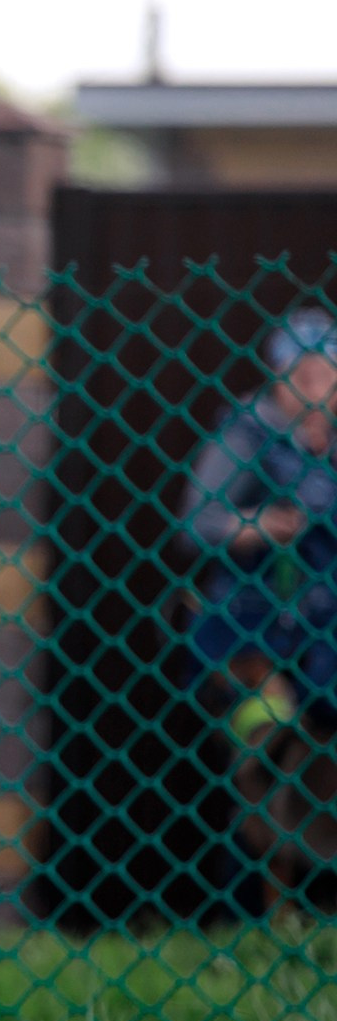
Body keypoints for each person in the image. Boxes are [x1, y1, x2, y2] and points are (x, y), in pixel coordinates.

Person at [182, 307, 337, 728]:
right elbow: (197, 525)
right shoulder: (247, 435)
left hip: (324, 624)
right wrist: (261, 524)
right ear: (278, 377)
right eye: (302, 378)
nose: (316, 392)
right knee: (266, 724)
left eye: (327, 377)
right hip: (256, 620)